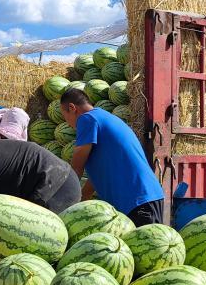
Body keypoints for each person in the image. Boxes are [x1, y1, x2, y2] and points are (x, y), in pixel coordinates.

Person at [60, 88, 164, 226]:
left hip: (138, 202)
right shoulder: (102, 118)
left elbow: (76, 169)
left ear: (72, 108)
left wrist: (62, 203)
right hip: (145, 198)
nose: (67, 124)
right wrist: (80, 203)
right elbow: (96, 178)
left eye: (65, 117)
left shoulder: (87, 119)